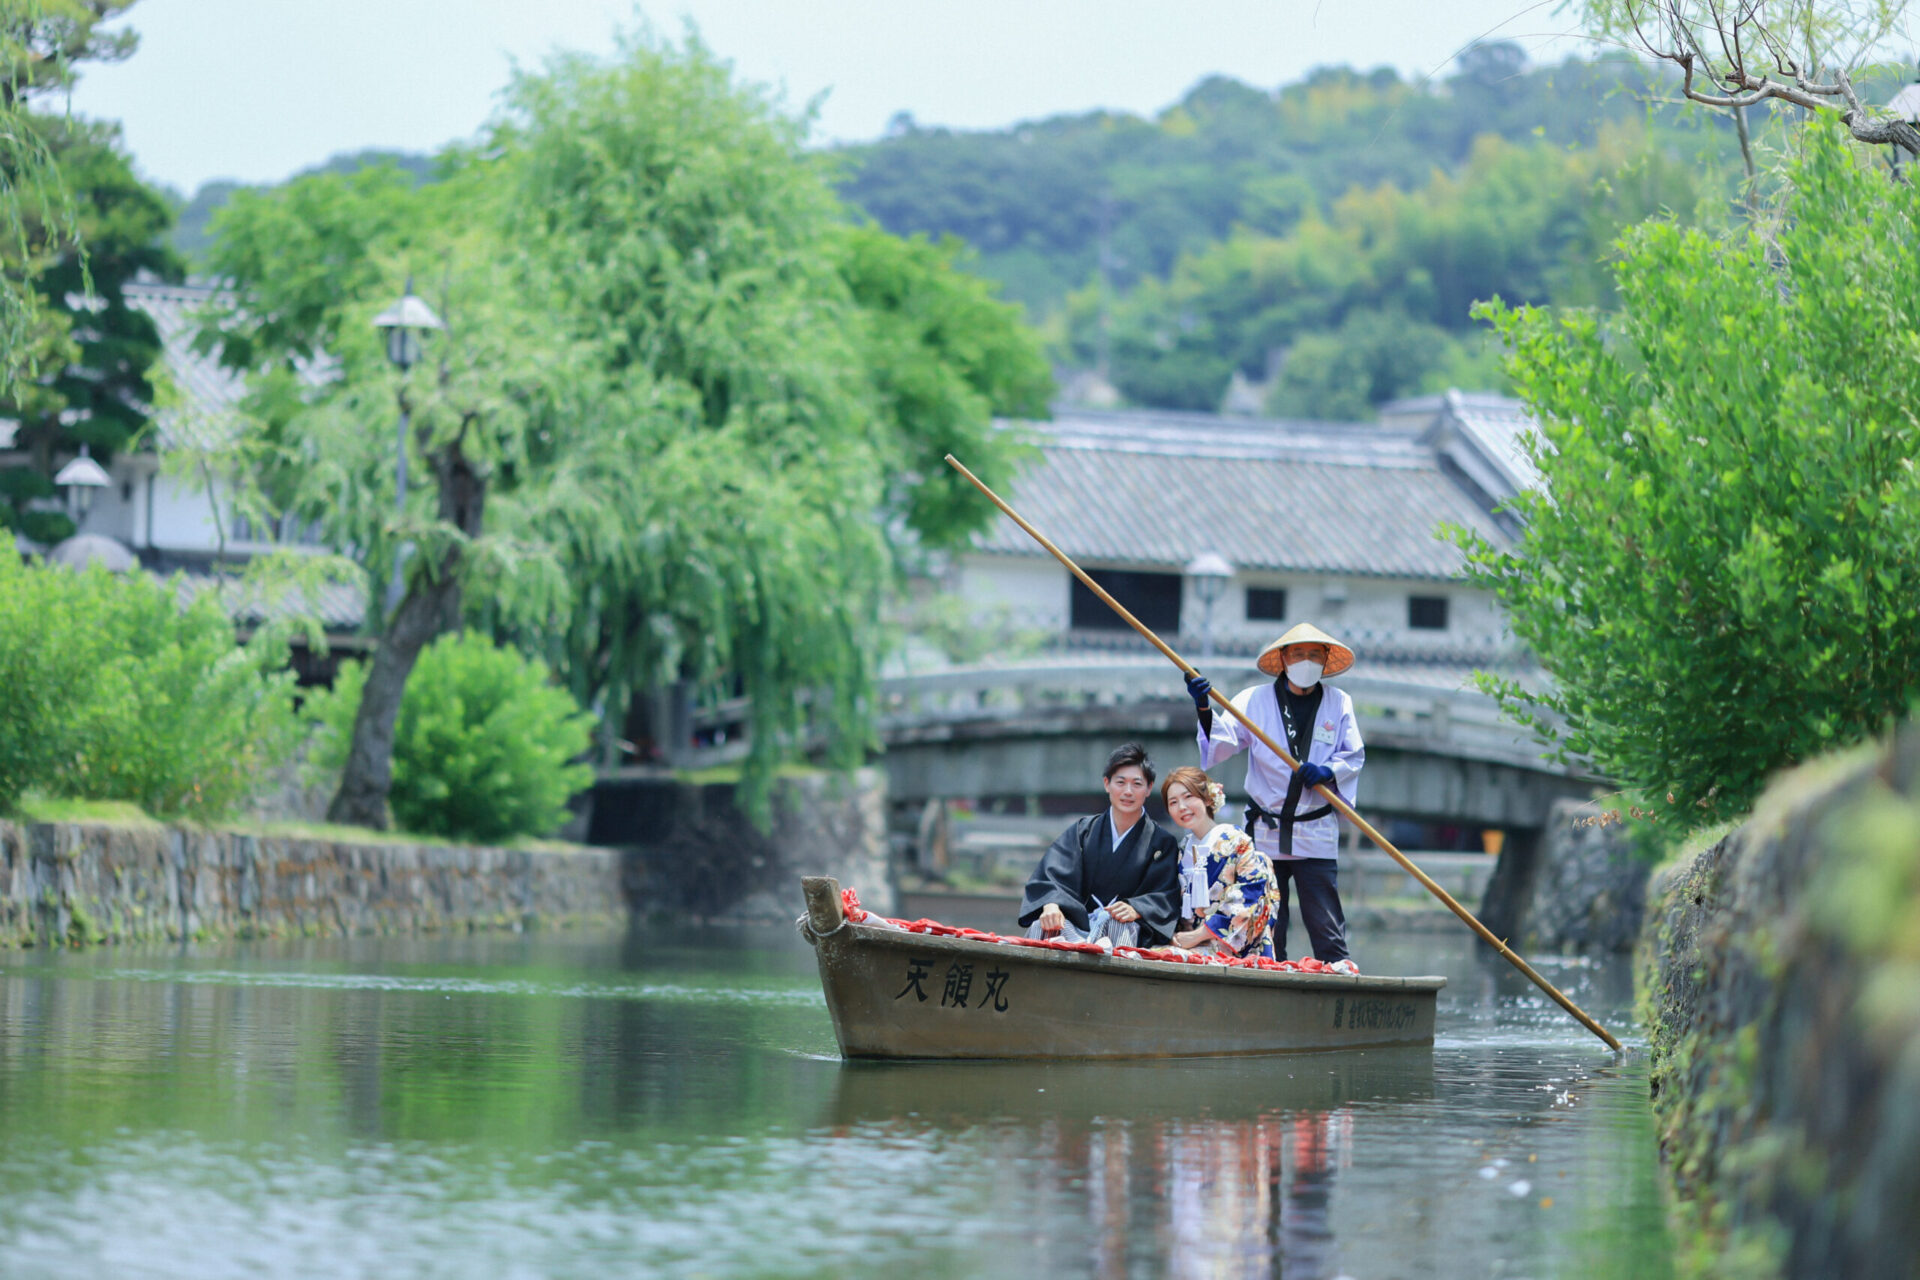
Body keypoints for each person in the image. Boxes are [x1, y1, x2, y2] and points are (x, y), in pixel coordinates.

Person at [1182, 623, 1363, 971]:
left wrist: (1328, 772)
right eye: (1298, 654)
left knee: (1326, 925)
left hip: (1315, 830)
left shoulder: (1340, 703)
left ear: (1326, 660)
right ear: (1283, 658)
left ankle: (1339, 980)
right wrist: (1204, 707)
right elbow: (1222, 744)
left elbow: (1353, 755)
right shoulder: (1254, 700)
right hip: (1266, 832)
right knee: (1263, 921)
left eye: (1314, 654)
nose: (1306, 661)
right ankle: (1265, 981)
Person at [1019, 742, 1182, 947]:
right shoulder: (1083, 831)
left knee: (1117, 925)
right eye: (1120, 782)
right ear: (1107, 784)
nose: (1128, 791)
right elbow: (1052, 875)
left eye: (1137, 784)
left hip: (1125, 929)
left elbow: (1166, 894)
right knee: (1043, 926)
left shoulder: (1162, 842)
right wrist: (1050, 904)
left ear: (1149, 788)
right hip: (1077, 925)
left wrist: (1137, 908)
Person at [1161, 764, 1280, 959]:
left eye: (1188, 797)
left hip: (1230, 948)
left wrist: (1198, 935)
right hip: (1188, 943)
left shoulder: (1236, 840)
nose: (1181, 807)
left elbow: (1251, 897)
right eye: (1173, 802)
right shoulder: (1179, 851)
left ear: (1207, 798)